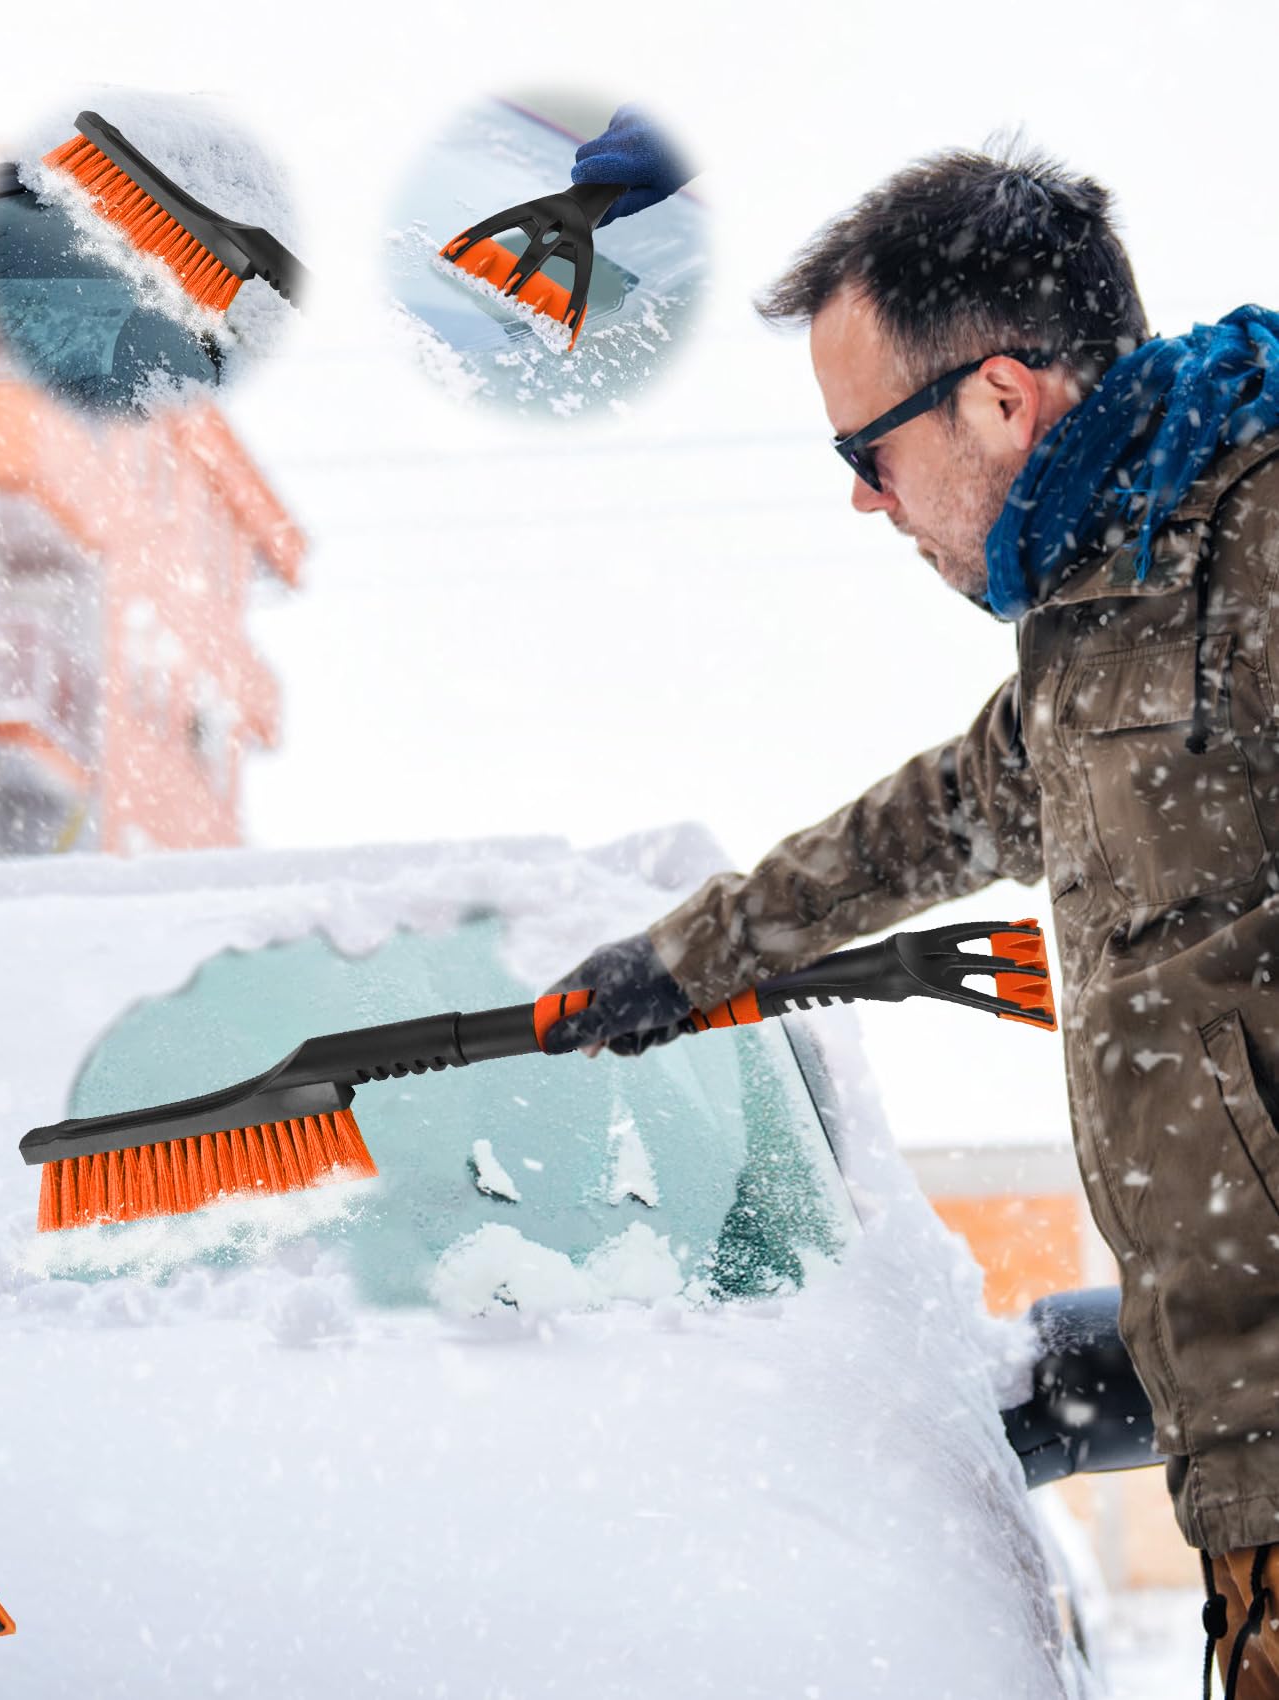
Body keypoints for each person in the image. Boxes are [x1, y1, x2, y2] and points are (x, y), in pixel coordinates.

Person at [543, 146, 1279, 1696]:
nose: (862, 502)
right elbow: (932, 818)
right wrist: (684, 959)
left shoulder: (1259, 543)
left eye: (868, 452)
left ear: (1004, 402)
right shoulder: (1101, 635)